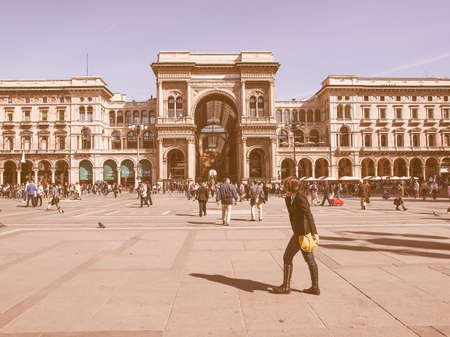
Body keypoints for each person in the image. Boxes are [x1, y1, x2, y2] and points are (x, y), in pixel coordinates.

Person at [272, 176, 320, 295]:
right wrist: (287, 199)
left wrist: (315, 232)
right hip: (300, 232)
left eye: (285, 184)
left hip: (302, 233)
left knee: (287, 257)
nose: (283, 186)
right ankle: (315, 288)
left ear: (291, 186)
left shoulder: (300, 197)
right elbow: (291, 212)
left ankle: (286, 287)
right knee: (310, 259)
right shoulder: (294, 196)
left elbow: (308, 214)